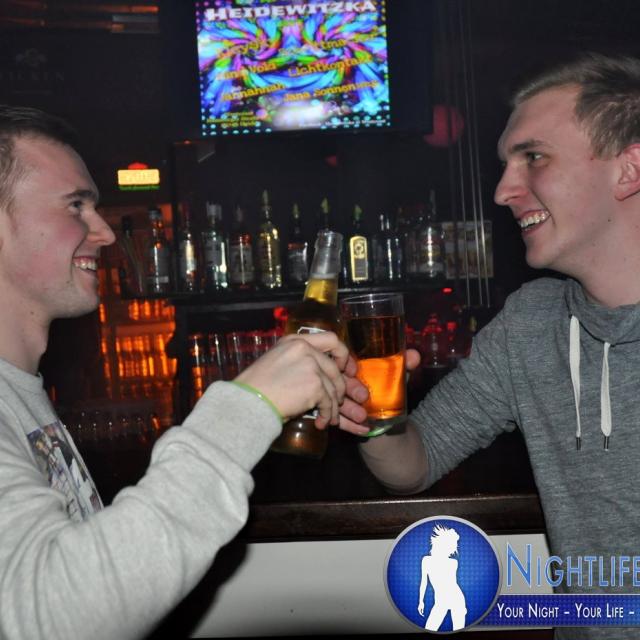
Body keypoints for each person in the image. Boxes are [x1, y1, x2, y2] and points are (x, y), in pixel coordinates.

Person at [0, 105, 371, 640]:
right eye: (76, 205)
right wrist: (248, 406)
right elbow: (52, 621)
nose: (104, 232)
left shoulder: (19, 394)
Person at [358, 52, 640, 640]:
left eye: (533, 157)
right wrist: (371, 409)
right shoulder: (530, 324)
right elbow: (415, 462)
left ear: (629, 169)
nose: (502, 191)